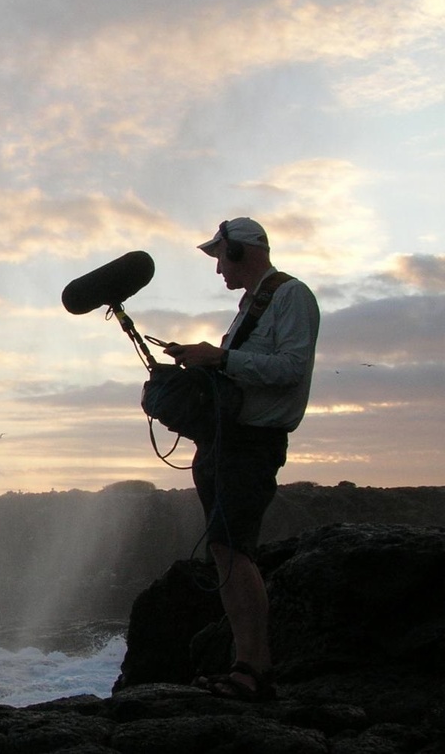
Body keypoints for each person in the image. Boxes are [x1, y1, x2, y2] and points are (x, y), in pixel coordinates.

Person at [163, 217, 320, 702]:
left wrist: (220, 358)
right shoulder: (251, 305)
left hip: (252, 443)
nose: (217, 270)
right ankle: (245, 665)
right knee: (224, 549)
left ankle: (254, 669)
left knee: (235, 550)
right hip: (225, 442)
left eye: (220, 258)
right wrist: (201, 360)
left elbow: (291, 369)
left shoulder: (291, 296)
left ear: (239, 252)